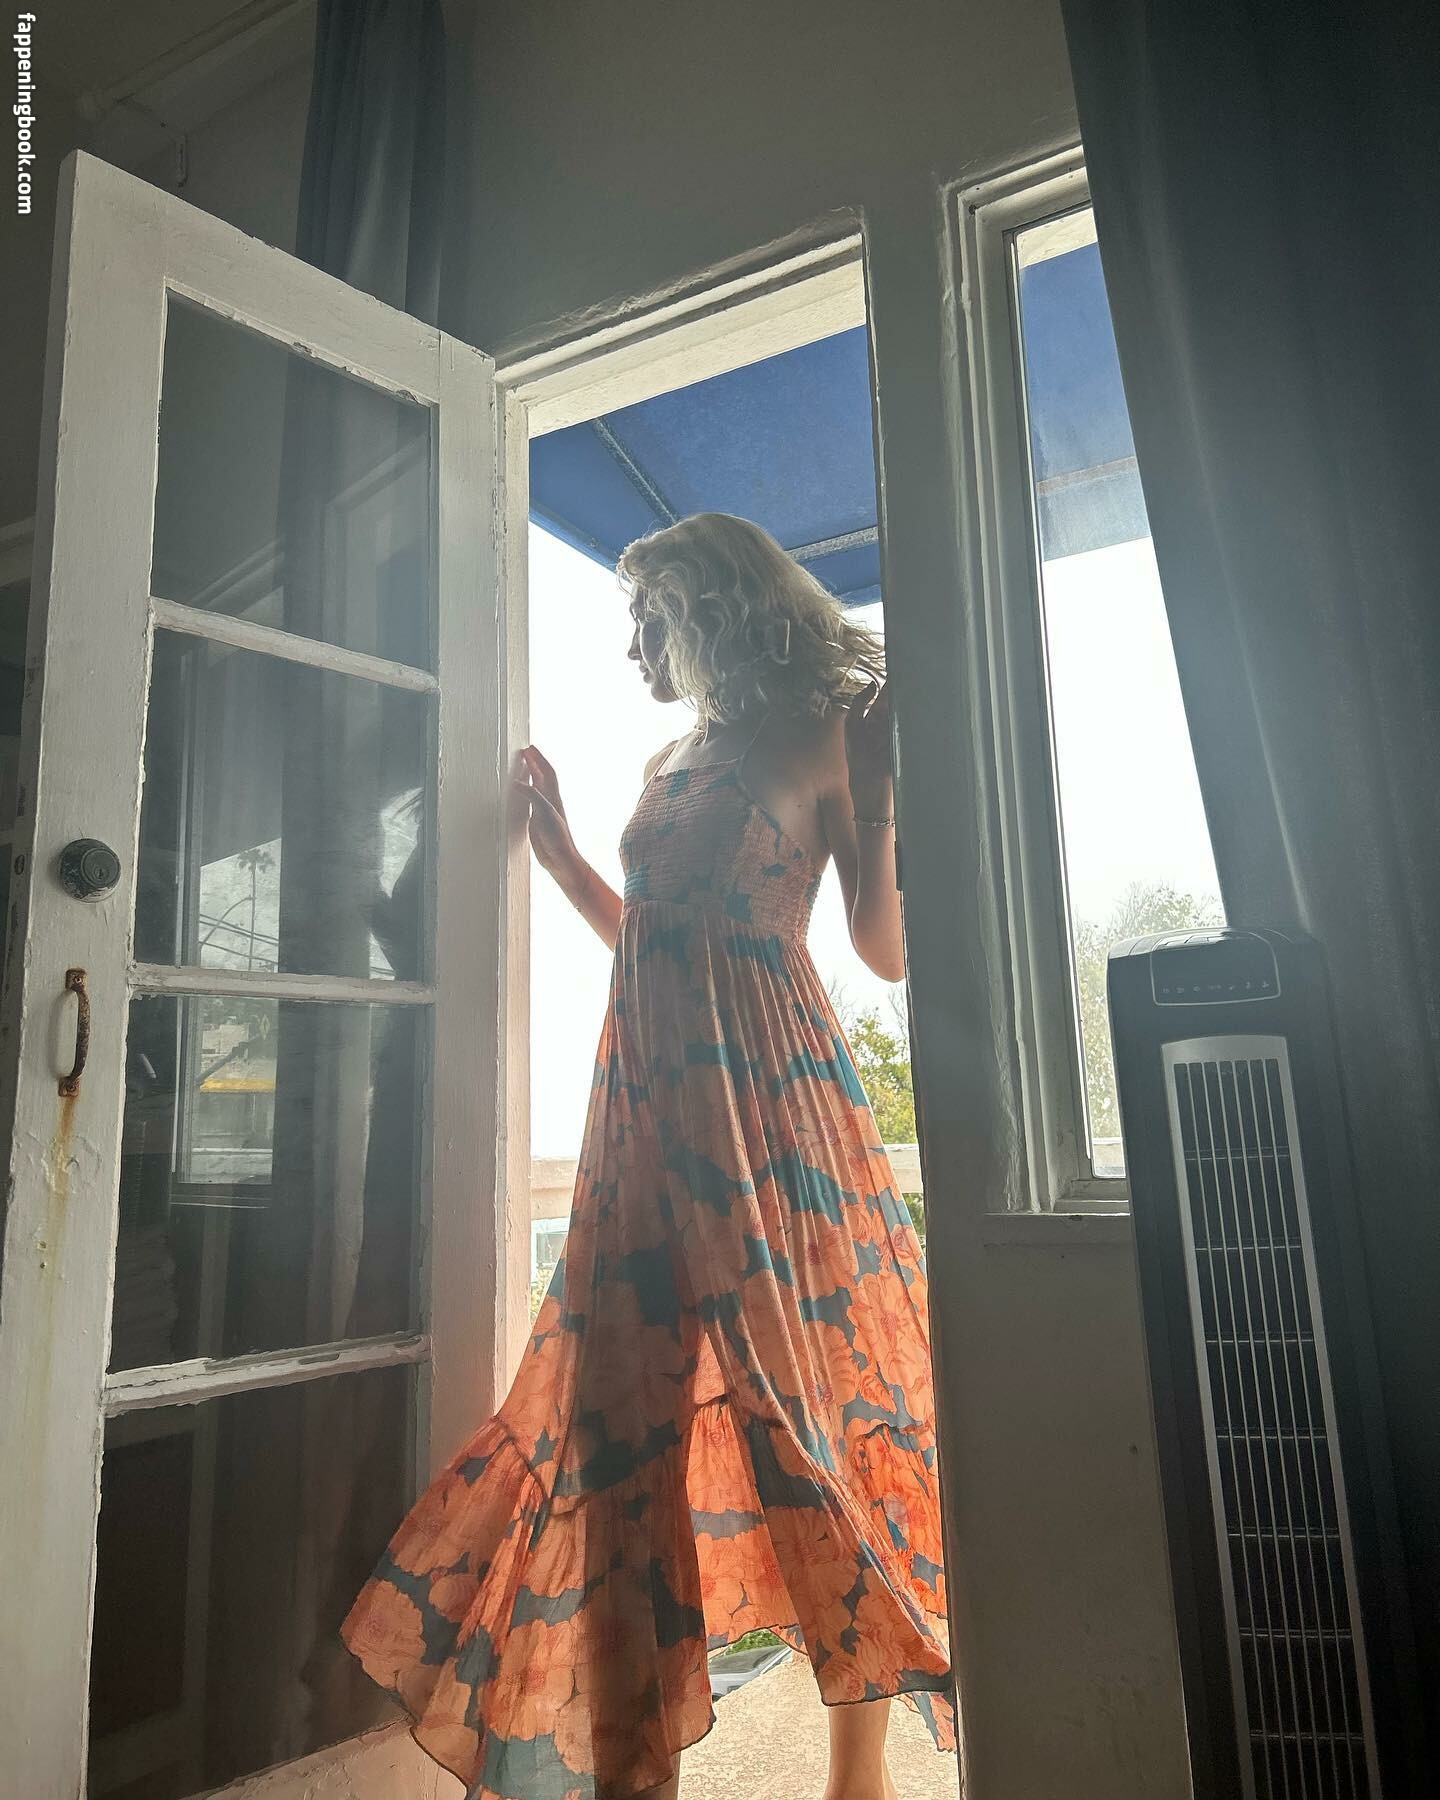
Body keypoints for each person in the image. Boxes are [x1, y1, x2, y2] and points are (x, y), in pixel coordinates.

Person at [342, 514, 955, 1800]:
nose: (635, 648)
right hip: (645, 1119)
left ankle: (861, 1772)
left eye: (649, 618)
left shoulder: (829, 735)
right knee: (615, 1423)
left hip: (773, 1116)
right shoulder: (670, 758)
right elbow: (660, 936)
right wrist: (566, 855)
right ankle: (621, 1761)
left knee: (810, 1413)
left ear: (714, 610)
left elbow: (886, 951)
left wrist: (886, 796)